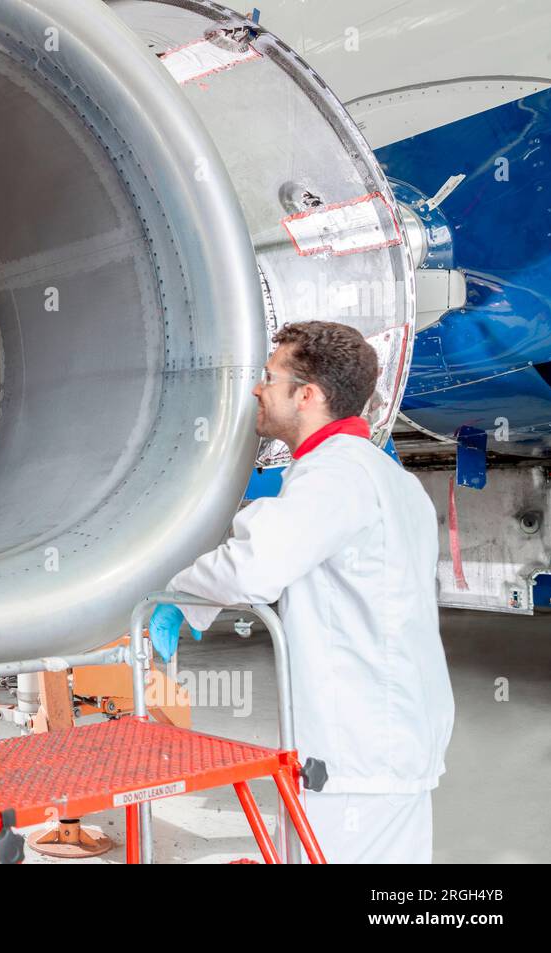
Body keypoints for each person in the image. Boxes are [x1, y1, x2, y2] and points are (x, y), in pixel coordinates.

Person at [153, 320, 454, 863]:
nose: (257, 389)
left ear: (308, 395)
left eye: (270, 377)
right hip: (397, 738)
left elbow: (253, 566)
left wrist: (176, 594)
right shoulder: (388, 478)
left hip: (356, 752)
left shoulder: (334, 476)